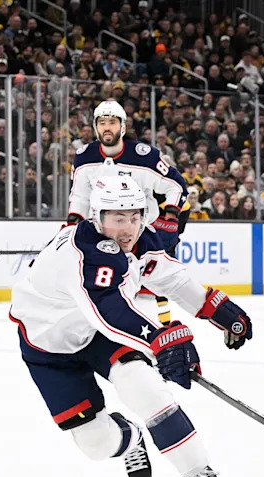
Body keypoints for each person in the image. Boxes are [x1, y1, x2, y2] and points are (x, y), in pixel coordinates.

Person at [10, 176, 253, 477]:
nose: (128, 228)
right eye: (118, 219)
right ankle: (131, 438)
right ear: (97, 217)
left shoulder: (137, 240)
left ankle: (200, 474)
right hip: (48, 348)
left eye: (135, 217)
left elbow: (171, 277)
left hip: (96, 334)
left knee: (145, 387)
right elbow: (108, 310)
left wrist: (220, 310)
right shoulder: (84, 253)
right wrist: (162, 339)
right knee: (96, 444)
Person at [68, 100, 192, 326]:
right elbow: (79, 196)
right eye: (102, 122)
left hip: (141, 230)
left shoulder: (144, 156)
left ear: (122, 126)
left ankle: (163, 325)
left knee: (161, 277)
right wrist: (71, 226)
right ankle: (107, 327)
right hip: (103, 231)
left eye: (112, 122)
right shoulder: (84, 157)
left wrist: (171, 217)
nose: (107, 127)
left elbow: (176, 185)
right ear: (95, 127)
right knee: (105, 284)